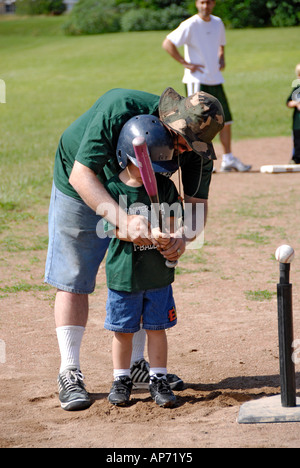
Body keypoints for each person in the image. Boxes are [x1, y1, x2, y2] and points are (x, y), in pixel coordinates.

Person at [44, 86, 224, 411]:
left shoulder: (195, 150)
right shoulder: (119, 107)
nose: (181, 148)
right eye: (180, 138)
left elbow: (196, 209)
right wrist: (122, 221)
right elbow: (81, 175)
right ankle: (69, 370)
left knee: (143, 271)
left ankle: (140, 368)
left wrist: (182, 237)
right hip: (83, 178)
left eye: (190, 145)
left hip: (144, 184)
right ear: (170, 116)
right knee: (74, 275)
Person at [103, 115, 183, 407]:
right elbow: (107, 228)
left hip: (157, 275)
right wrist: (140, 233)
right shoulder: (113, 189)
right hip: (125, 275)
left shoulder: (165, 188)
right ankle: (121, 377)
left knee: (156, 327)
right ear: (127, 155)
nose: (156, 171)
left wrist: (170, 237)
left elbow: (176, 225)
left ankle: (158, 377)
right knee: (123, 331)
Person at [162, 0, 252, 173]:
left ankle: (228, 159)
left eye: (209, 2)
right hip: (197, 79)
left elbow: (221, 44)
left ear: (214, 3)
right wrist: (184, 63)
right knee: (196, 122)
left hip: (216, 78)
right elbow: (167, 43)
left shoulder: (218, 23)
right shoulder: (190, 24)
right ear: (197, 4)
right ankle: (200, 161)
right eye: (202, 2)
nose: (206, 6)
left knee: (225, 120)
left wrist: (222, 56)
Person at [286, 63, 300, 164]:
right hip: (298, 122)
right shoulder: (297, 89)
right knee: (298, 142)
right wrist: (296, 103)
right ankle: (296, 159)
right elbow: (288, 102)